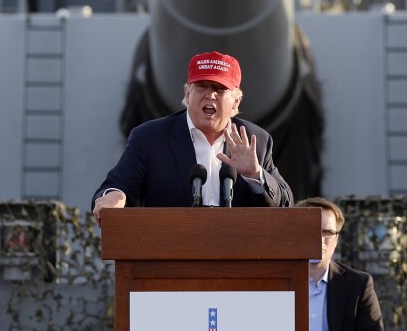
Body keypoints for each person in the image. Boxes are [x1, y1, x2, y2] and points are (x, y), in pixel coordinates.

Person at [92, 51, 293, 223]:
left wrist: (255, 175)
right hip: (169, 257)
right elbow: (116, 186)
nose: (210, 95)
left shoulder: (255, 140)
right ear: (188, 94)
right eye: (201, 87)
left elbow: (286, 205)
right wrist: (114, 196)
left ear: (235, 101)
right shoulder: (150, 138)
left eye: (220, 89)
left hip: (239, 259)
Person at [295, 197, 384, 331]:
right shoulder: (275, 283)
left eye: (328, 232)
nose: (319, 239)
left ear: (336, 239)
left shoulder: (358, 285)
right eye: (310, 230)